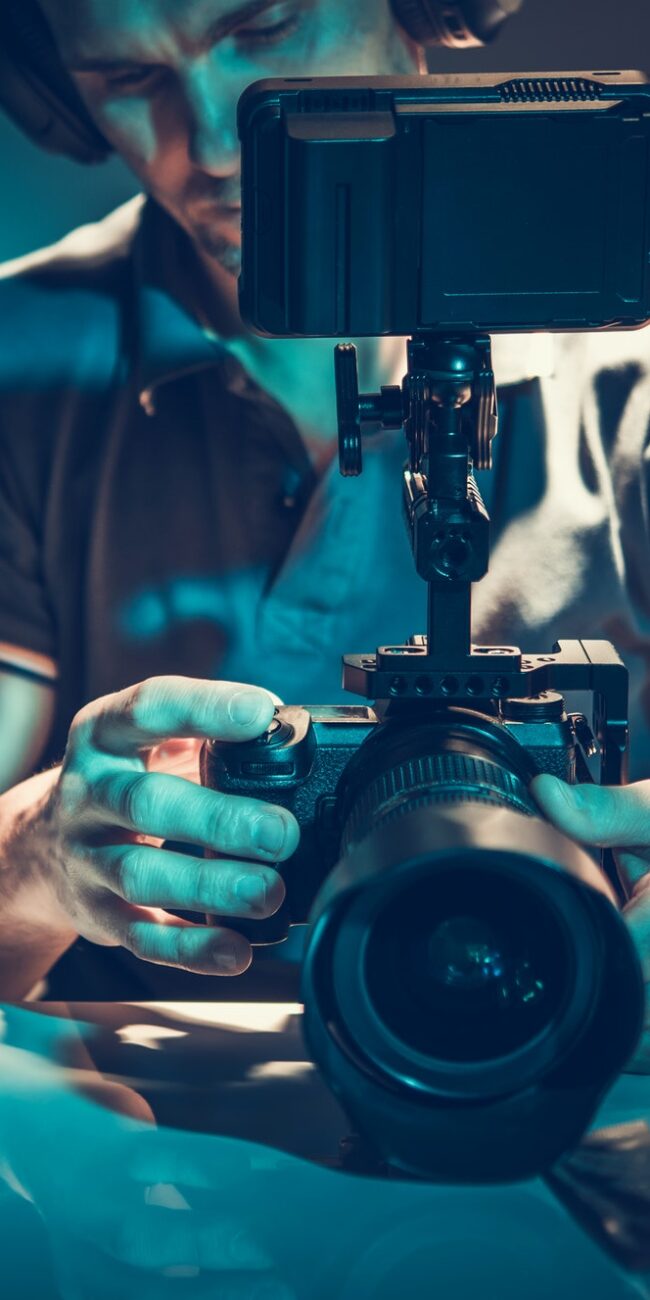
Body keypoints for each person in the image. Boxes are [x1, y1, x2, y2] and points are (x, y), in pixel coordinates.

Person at [0, 1, 648, 1060]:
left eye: (264, 28)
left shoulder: (632, 387)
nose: (209, 146)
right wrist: (31, 856)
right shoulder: (17, 368)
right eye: (129, 82)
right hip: (157, 1157)